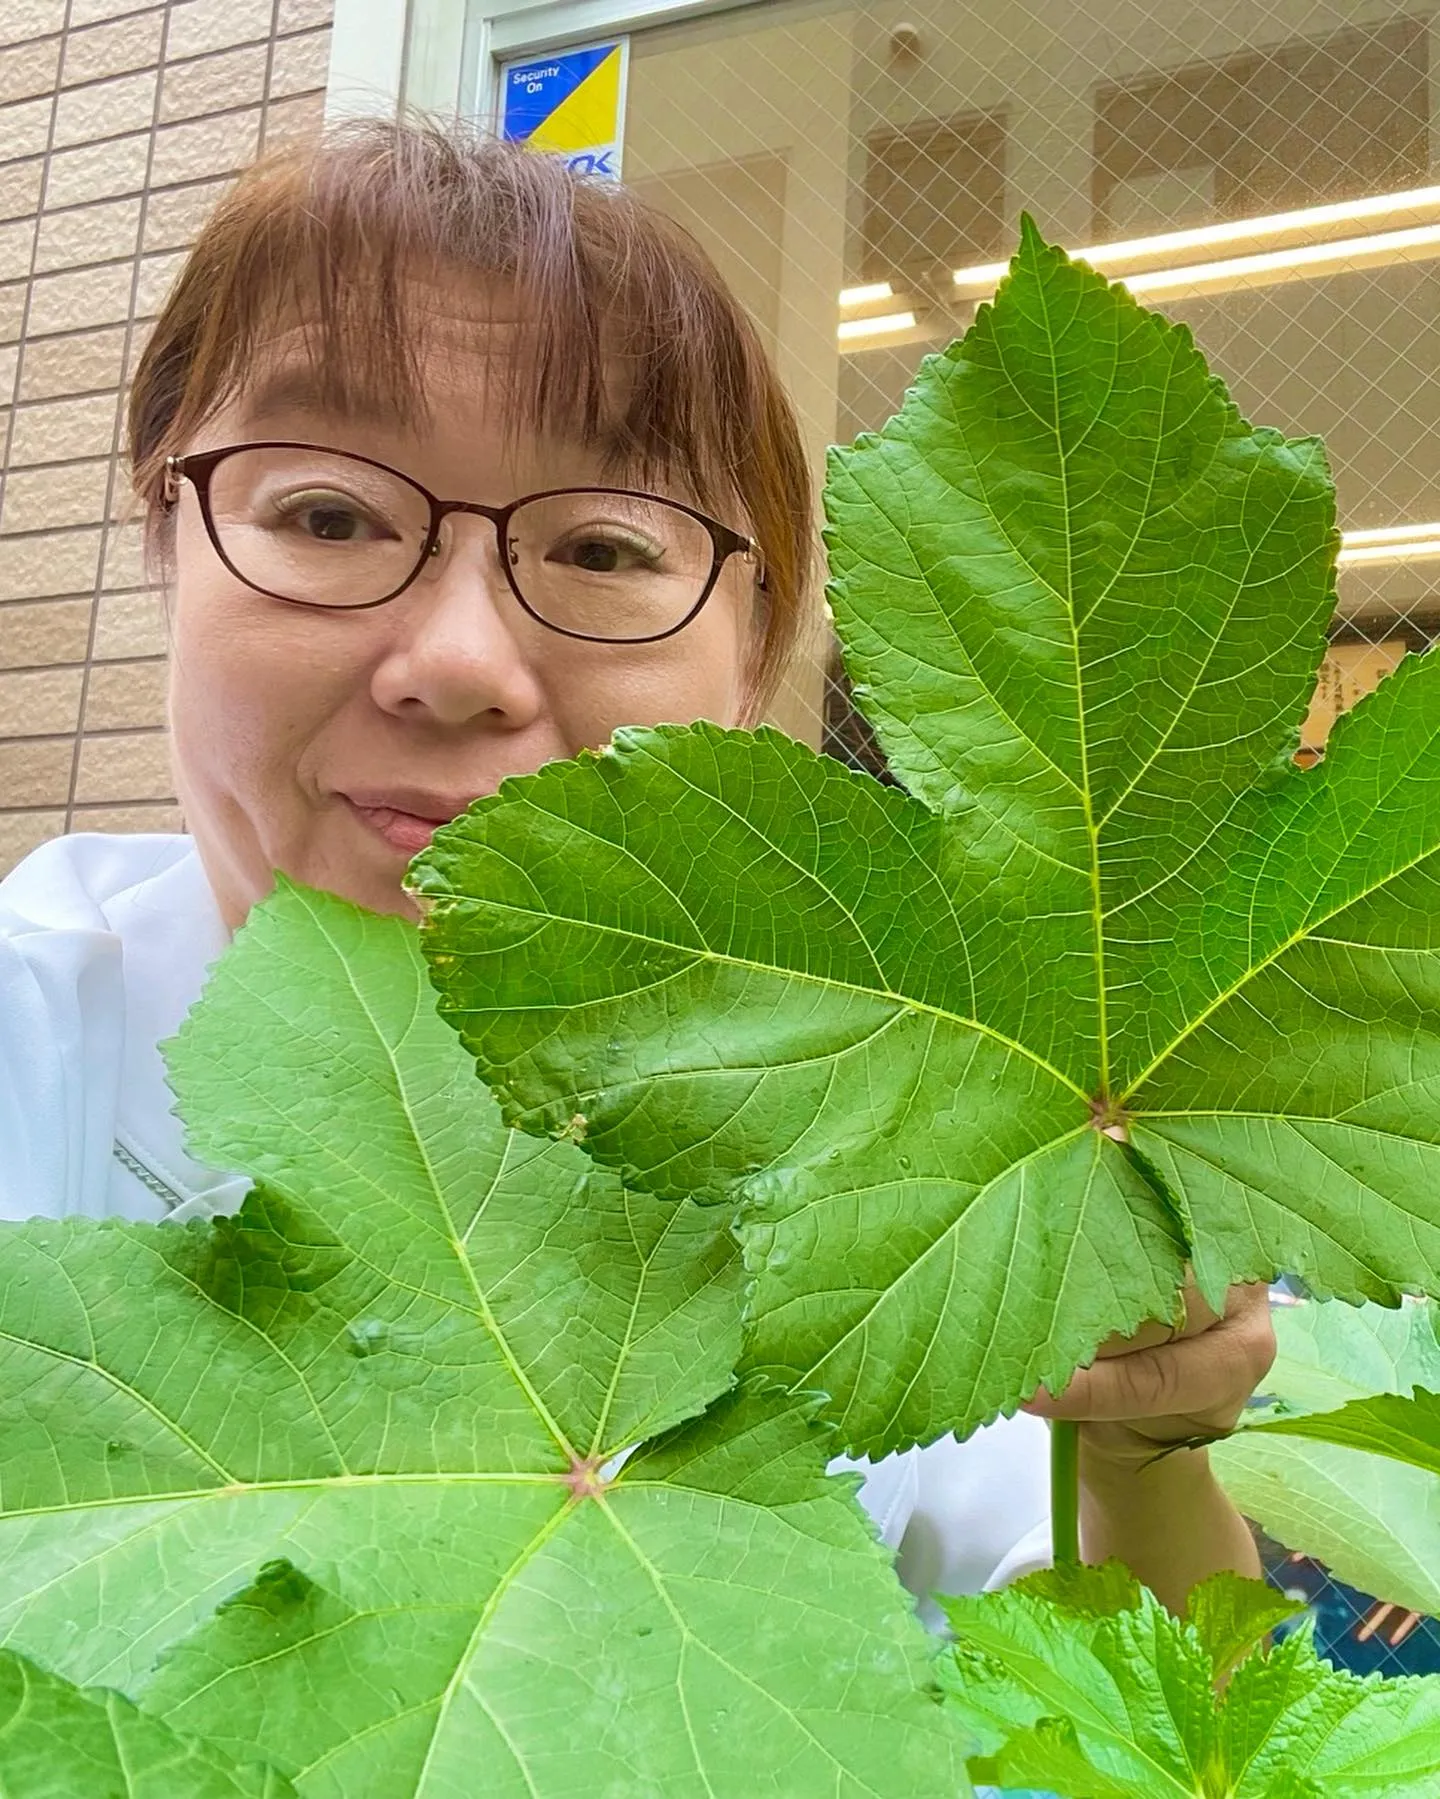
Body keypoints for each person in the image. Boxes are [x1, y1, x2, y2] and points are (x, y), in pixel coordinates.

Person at [0, 120, 1271, 1619]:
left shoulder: (872, 1147)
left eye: (603, 548)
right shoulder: (41, 1042)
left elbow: (1153, 1697)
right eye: (329, 515)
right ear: (166, 544)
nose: (461, 662)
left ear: (754, 661)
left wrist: (1144, 1452)